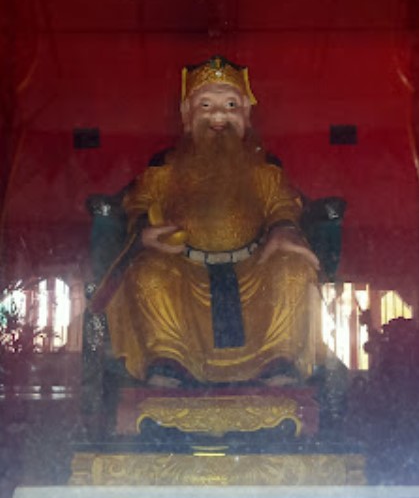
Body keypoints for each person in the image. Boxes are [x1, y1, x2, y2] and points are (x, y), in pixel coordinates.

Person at [103, 56, 323, 387]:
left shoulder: (263, 171)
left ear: (246, 114)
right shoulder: (165, 171)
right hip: (183, 270)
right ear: (187, 114)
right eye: (206, 105)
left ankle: (278, 357)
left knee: (294, 270)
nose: (218, 115)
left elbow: (281, 205)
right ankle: (168, 357)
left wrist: (284, 229)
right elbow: (139, 204)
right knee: (147, 273)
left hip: (254, 269)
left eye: (230, 105)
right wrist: (144, 232)